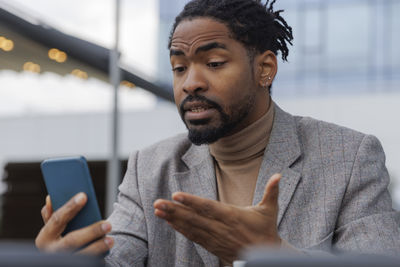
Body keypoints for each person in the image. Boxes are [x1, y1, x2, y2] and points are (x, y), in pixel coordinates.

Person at [35, 0, 400, 266]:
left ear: (265, 69)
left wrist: (276, 256)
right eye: (179, 68)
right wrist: (72, 258)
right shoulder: (151, 167)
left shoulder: (350, 156)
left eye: (213, 63)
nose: (190, 83)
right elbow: (118, 258)